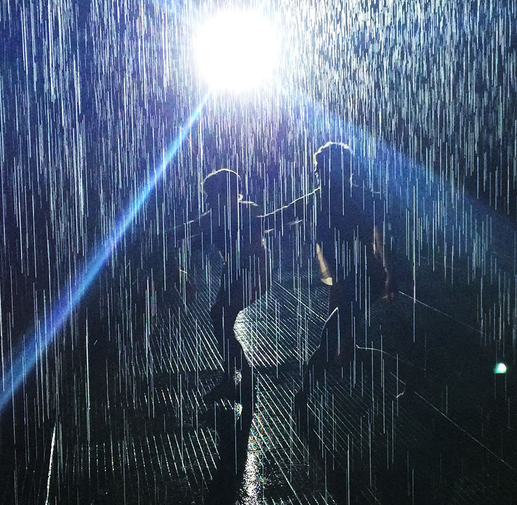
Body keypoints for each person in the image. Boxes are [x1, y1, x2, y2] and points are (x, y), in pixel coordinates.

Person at [262, 142, 395, 429]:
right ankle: (407, 373)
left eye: (323, 169)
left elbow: (381, 239)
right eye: (318, 170)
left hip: (360, 277)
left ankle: (303, 396)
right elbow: (276, 217)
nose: (319, 175)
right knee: (343, 344)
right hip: (349, 278)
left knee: (331, 339)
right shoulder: (325, 199)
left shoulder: (353, 199)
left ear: (341, 172)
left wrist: (389, 274)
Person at [165, 169, 270, 403]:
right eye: (208, 196)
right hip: (234, 272)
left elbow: (259, 232)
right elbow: (180, 233)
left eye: (212, 195)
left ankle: (240, 377)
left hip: (254, 271)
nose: (209, 200)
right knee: (220, 318)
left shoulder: (248, 212)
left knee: (221, 316)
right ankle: (234, 376)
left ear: (230, 193)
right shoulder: (213, 217)